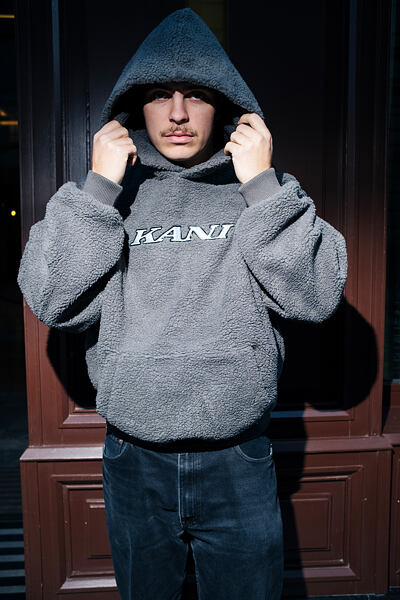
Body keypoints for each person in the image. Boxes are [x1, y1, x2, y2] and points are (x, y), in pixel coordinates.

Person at [17, 7, 348, 600]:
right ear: (133, 109)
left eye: (195, 95)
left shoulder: (266, 194)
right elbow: (52, 299)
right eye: (159, 96)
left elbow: (317, 296)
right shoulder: (101, 198)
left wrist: (261, 186)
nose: (176, 113)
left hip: (238, 457)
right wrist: (99, 190)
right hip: (134, 457)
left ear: (224, 106)